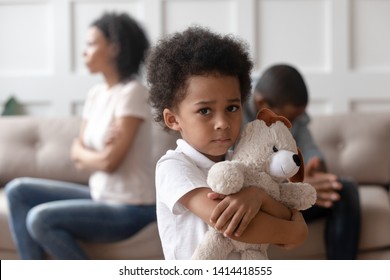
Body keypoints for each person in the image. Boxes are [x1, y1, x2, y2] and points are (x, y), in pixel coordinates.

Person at [146, 26, 309, 260]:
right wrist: (281, 219)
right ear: (173, 119)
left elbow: (298, 235)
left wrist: (258, 197)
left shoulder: (243, 164)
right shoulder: (174, 167)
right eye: (205, 110)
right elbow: (235, 229)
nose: (223, 123)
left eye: (232, 108)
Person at [5, 12, 155, 259]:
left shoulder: (133, 92)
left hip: (131, 207)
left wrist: (89, 154)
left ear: (114, 49)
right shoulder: (96, 95)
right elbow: (77, 152)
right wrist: (89, 153)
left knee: (39, 219)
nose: (84, 51)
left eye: (92, 43)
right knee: (17, 190)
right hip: (100, 195)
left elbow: (109, 162)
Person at [244, 63, 361, 260]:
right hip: (255, 199)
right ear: (262, 103)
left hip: (289, 193)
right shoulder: (234, 113)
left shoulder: (293, 114)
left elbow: (309, 147)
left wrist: (316, 164)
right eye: (291, 118)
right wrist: (297, 184)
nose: (295, 123)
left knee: (344, 189)